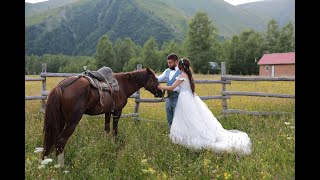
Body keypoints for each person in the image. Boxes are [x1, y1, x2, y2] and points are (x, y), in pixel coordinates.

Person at [157, 58, 252, 155]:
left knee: (186, 119)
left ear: (181, 66)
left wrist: (160, 87)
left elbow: (172, 87)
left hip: (184, 99)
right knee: (192, 119)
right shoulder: (188, 75)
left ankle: (193, 137)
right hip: (189, 98)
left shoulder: (182, 75)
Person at [156, 53, 182, 130]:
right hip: (168, 98)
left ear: (176, 62)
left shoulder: (181, 72)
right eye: (168, 62)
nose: (168, 64)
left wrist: (163, 87)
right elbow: (159, 79)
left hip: (178, 98)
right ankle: (171, 136)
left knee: (177, 119)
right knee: (169, 118)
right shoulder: (167, 71)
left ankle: (178, 136)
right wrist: (150, 75)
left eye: (170, 62)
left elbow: (178, 87)